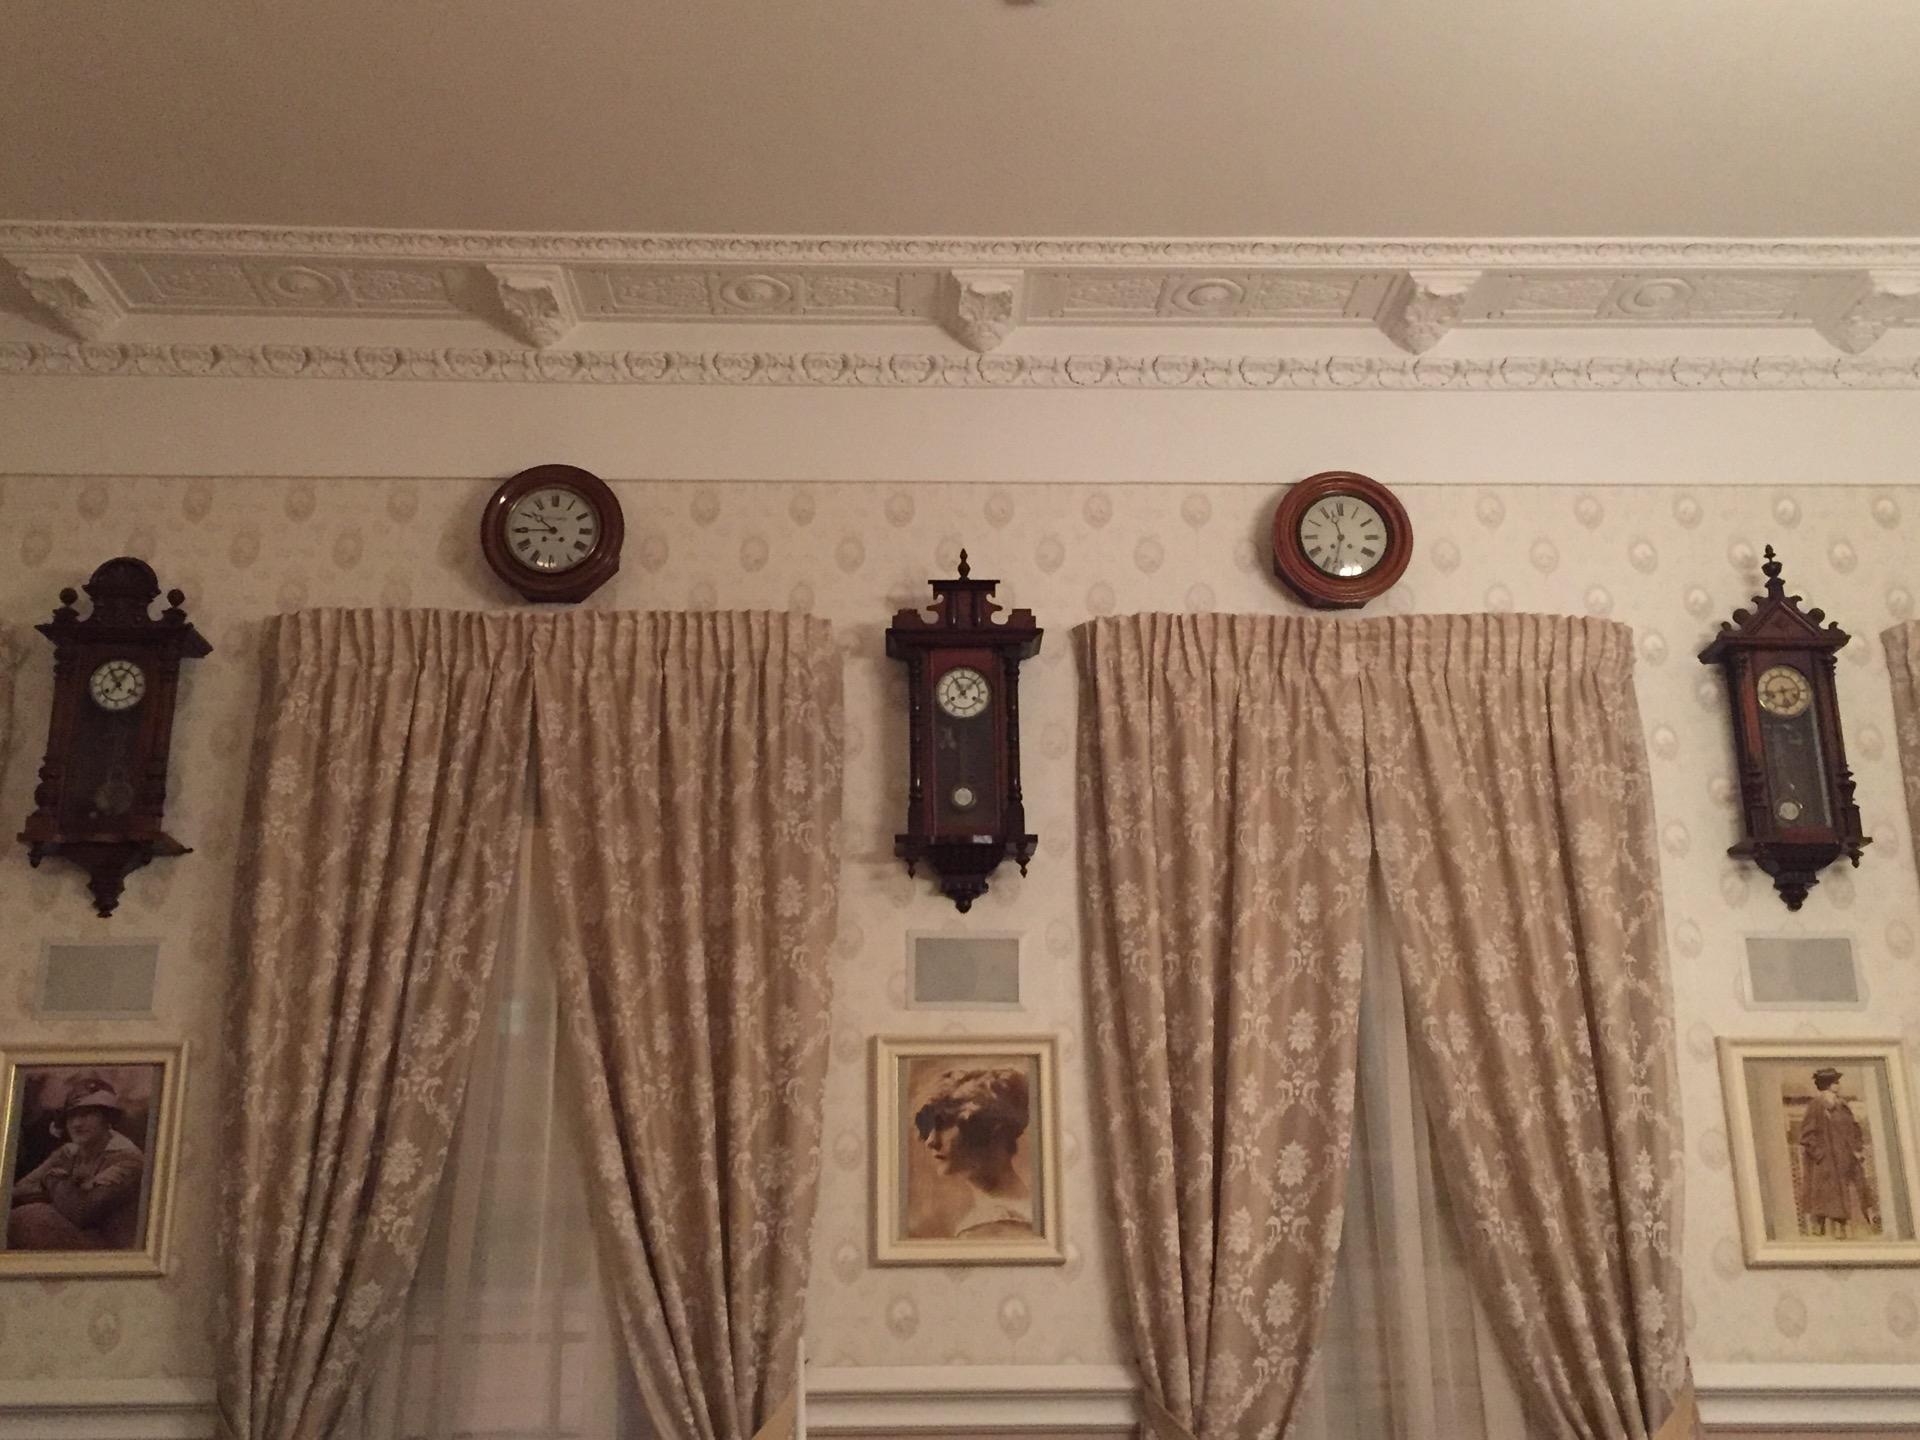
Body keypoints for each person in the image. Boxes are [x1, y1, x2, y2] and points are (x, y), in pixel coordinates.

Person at [7, 1075, 146, 1251]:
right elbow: (20, 1189)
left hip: (113, 1252)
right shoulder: (69, 1153)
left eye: (87, 1114)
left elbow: (80, 1212)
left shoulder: (129, 1160)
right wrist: (58, 1188)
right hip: (76, 1242)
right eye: (71, 1116)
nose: (77, 1124)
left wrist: (52, 1180)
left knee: (32, 1217)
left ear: (107, 1118)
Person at [912, 1065, 1034, 1239]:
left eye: (945, 1125)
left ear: (993, 1130)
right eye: (929, 1127)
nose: (931, 1141)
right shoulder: (1015, 1209)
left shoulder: (992, 1227)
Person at [1797, 1067, 1880, 1239]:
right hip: (1826, 1162)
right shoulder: (1816, 1105)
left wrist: (1857, 1149)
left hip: (1846, 1158)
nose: (1838, 1085)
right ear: (1827, 1084)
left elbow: (1854, 1129)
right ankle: (1825, 1233)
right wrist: (1820, 1155)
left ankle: (1856, 1230)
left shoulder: (1842, 1105)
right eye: (1835, 1082)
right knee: (1828, 1197)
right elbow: (1806, 1135)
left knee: (1854, 1192)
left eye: (1837, 1081)